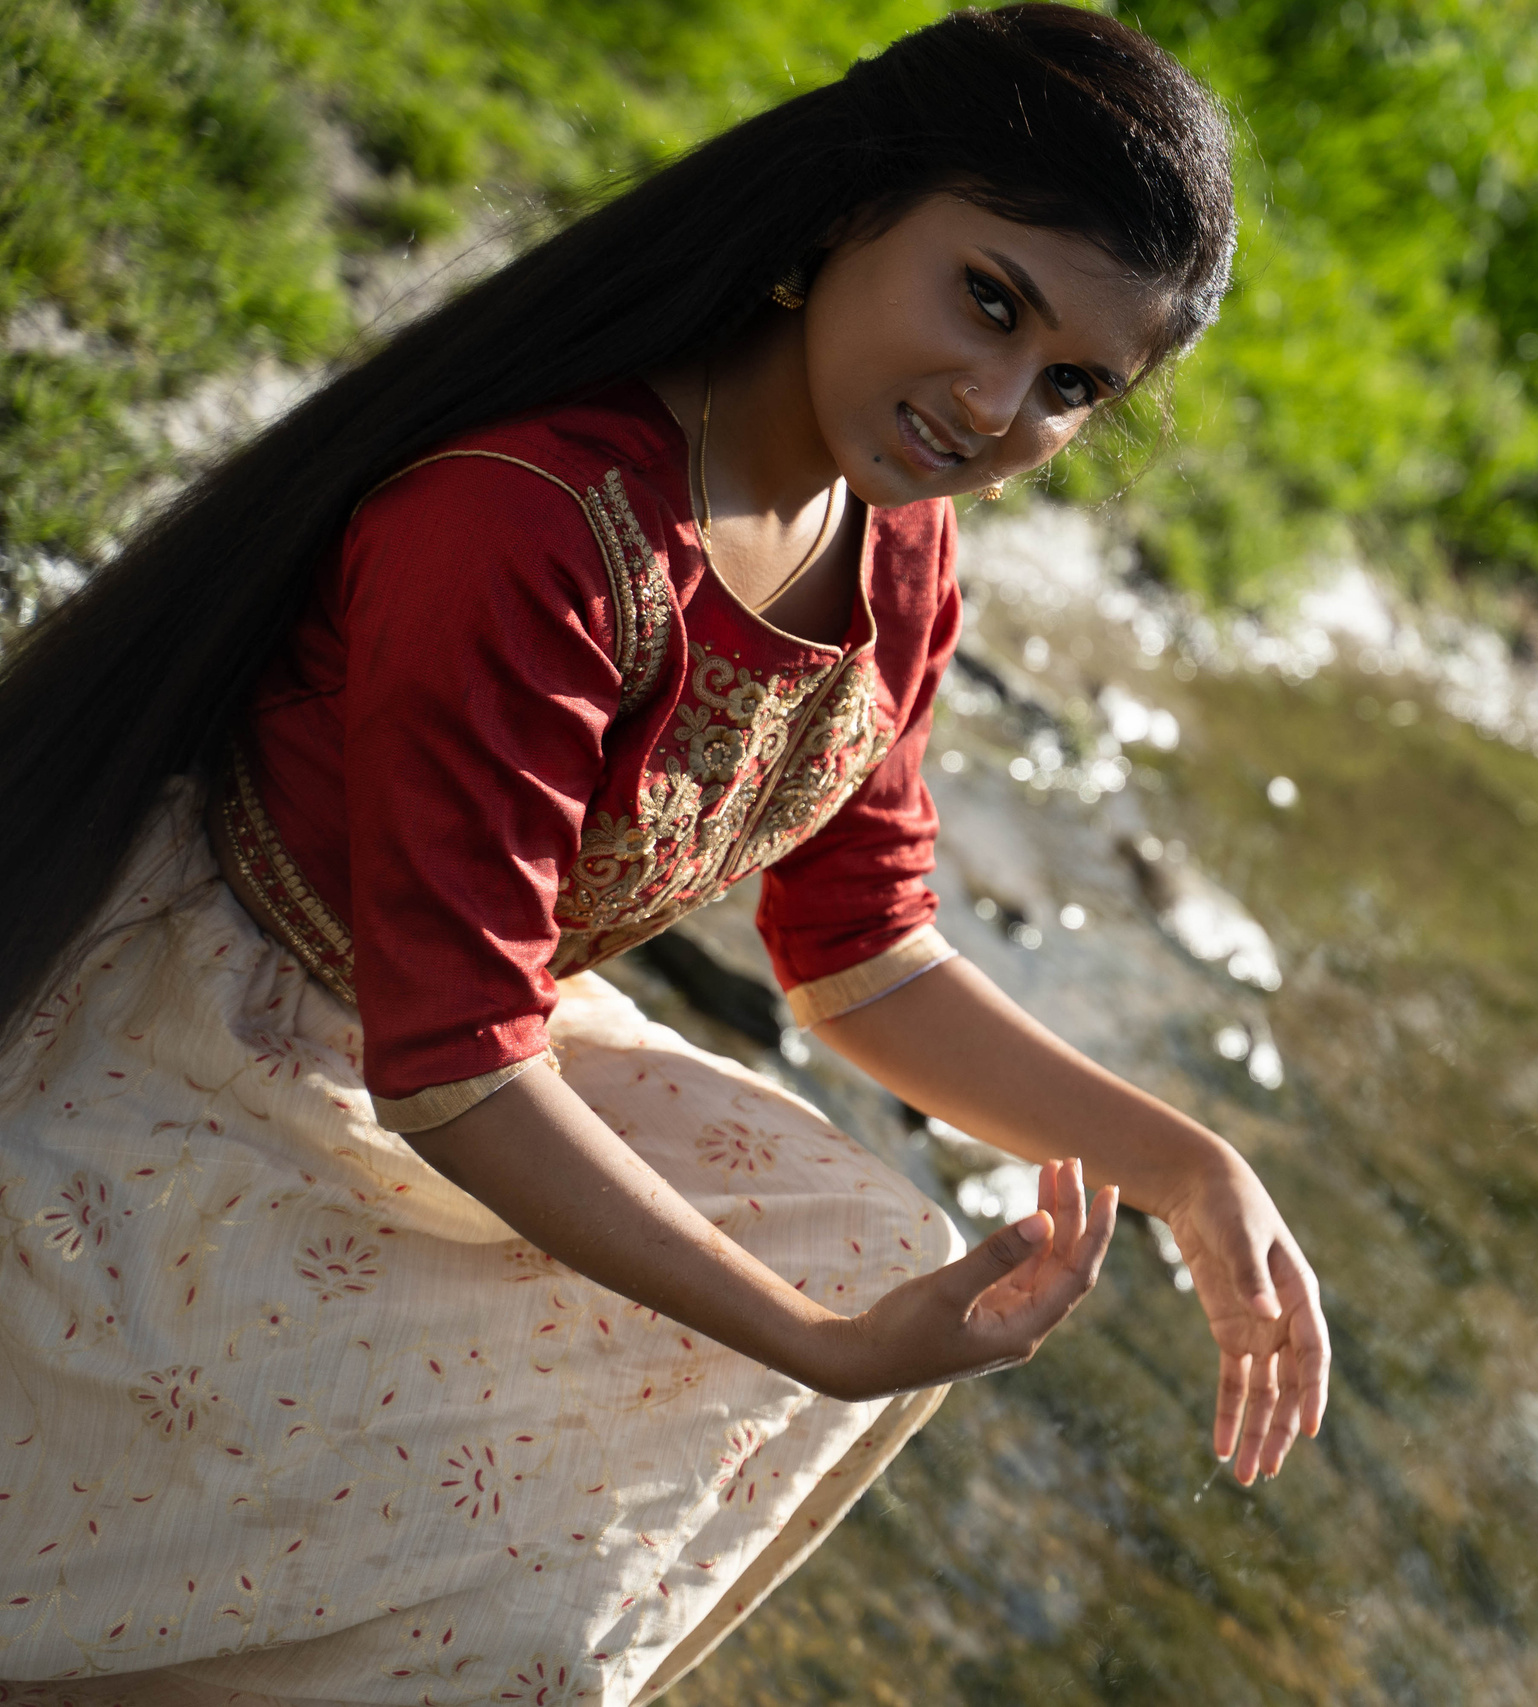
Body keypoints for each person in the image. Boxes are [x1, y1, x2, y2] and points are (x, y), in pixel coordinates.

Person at [0, 8, 1329, 1701]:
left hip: (461, 1045)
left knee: (876, 1255)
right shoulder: (533, 526)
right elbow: (455, 1059)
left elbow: (866, 952)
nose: (997, 407)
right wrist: (808, 1349)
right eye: (988, 301)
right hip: (208, 1046)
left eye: (1073, 386)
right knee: (533, 1616)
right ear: (852, 207)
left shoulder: (897, 562)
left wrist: (1190, 1166)